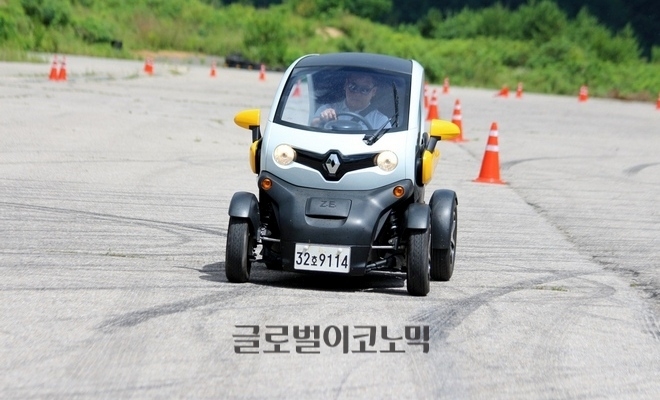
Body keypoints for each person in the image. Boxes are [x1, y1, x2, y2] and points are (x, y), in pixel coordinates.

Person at [311, 73, 390, 130]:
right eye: (353, 87)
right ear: (346, 85)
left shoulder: (381, 121)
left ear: (374, 91)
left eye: (364, 89)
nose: (357, 93)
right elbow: (312, 129)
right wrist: (322, 120)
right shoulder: (327, 109)